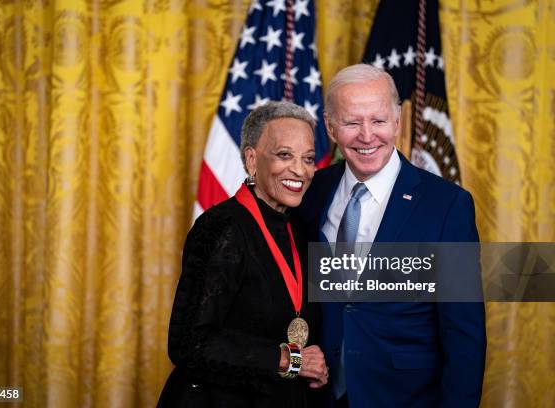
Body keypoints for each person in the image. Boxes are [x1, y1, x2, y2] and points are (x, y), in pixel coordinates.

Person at [297, 64, 486, 407]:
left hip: (405, 397)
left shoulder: (447, 205)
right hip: (317, 396)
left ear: (397, 122)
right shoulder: (311, 192)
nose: (367, 136)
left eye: (379, 121)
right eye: (352, 122)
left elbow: (464, 336)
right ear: (331, 127)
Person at [157, 101, 328, 408]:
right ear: (252, 159)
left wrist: (310, 365)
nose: (300, 170)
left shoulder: (300, 229)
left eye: (309, 158)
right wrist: (288, 359)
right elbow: (188, 343)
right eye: (284, 155)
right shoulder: (222, 227)